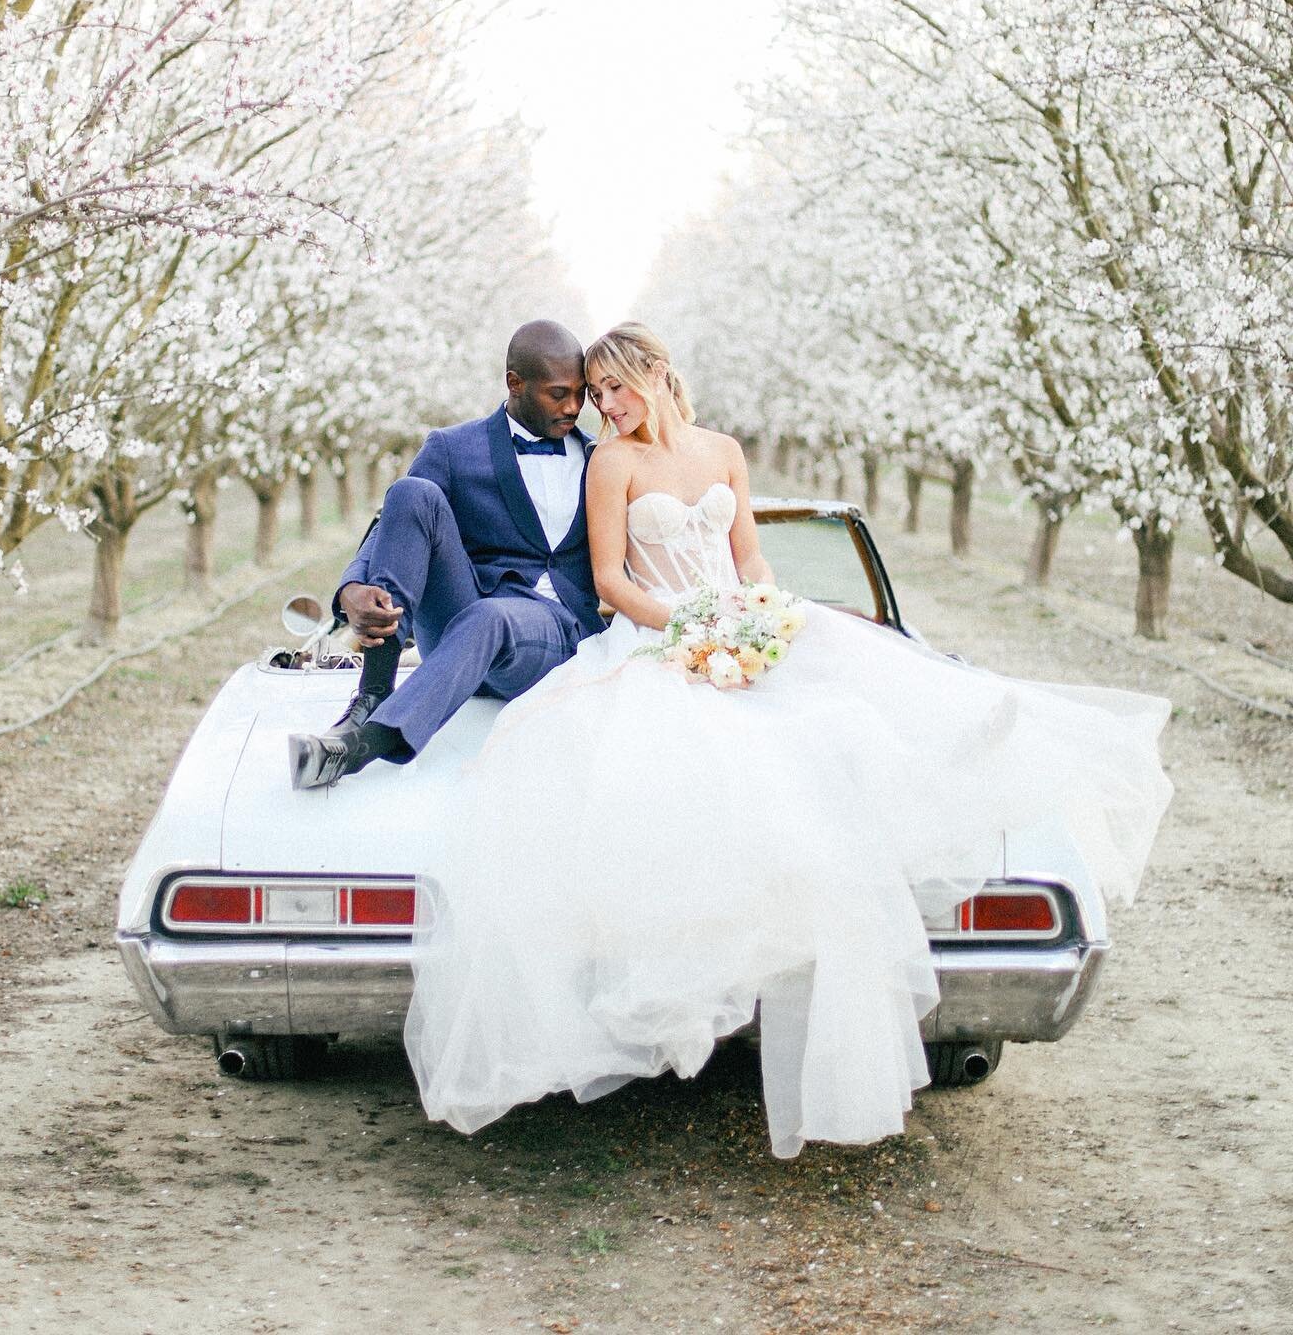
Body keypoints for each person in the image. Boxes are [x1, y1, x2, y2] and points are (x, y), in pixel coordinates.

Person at [402, 323, 1174, 1155]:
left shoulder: (724, 450)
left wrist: (758, 610)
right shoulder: (611, 463)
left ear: (658, 375)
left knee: (842, 692)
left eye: (617, 389)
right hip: (666, 636)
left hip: (739, 623)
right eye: (593, 395)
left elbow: (751, 559)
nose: (605, 407)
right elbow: (611, 581)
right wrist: (699, 627)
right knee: (724, 759)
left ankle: (953, 736)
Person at [289, 319, 603, 789]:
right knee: (411, 492)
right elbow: (389, 523)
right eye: (558, 394)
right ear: (515, 383)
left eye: (581, 393)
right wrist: (352, 587)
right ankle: (373, 691)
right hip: (462, 618)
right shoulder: (454, 448)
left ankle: (363, 747)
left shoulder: (601, 458)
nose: (574, 407)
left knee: (492, 618)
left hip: (552, 634)